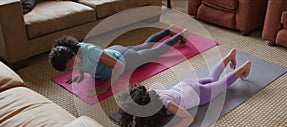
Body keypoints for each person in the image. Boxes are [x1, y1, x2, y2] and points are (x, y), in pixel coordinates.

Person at [118, 49, 251, 127]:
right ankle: (230, 55)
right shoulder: (151, 93)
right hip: (186, 85)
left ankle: (244, 67)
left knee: (222, 84)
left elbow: (188, 119)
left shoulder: (168, 104)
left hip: (200, 95)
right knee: (211, 78)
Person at [49, 25, 188, 96]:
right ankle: (167, 31)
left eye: (72, 65)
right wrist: (78, 74)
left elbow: (119, 67)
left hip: (125, 59)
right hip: (113, 52)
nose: (72, 68)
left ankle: (181, 34)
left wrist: (105, 87)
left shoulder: (90, 52)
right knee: (145, 46)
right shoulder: (71, 51)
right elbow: (80, 65)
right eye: (68, 69)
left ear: (73, 54)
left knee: (155, 52)